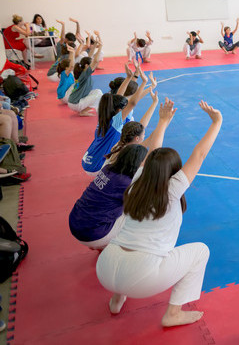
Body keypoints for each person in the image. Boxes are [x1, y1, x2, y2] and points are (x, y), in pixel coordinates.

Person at [96, 100, 222, 327]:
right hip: (140, 276)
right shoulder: (172, 190)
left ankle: (117, 297)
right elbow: (200, 154)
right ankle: (173, 313)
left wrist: (163, 122)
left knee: (131, 242)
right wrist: (217, 122)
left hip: (105, 267)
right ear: (174, 173)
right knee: (201, 251)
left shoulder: (136, 182)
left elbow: (151, 153)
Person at [70, 100, 176, 250]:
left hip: (76, 221)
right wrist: (163, 121)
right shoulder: (127, 181)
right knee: (140, 211)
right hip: (91, 233)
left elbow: (149, 145)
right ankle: (115, 245)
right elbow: (153, 154)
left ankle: (98, 243)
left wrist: (164, 122)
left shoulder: (112, 164)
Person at [81, 68, 151, 176]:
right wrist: (144, 83)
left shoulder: (105, 116)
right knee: (130, 149)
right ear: (119, 110)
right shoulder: (116, 124)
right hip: (96, 167)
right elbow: (132, 103)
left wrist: (128, 78)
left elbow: (120, 96)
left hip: (87, 159)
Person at [67, 40, 105, 117]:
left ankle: (85, 109)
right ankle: (83, 111)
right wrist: (100, 47)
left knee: (98, 91)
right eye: (91, 65)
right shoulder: (85, 74)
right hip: (75, 104)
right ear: (87, 66)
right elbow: (95, 61)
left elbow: (90, 57)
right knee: (99, 95)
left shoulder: (83, 72)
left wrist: (95, 45)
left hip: (73, 101)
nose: (94, 66)